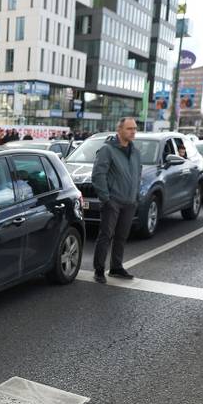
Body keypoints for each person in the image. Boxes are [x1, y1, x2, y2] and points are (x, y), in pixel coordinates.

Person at [91, 117, 142, 284]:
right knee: (106, 235)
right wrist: (105, 198)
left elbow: (137, 174)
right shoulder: (107, 150)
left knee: (121, 236)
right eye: (129, 129)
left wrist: (136, 196)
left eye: (134, 128)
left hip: (129, 201)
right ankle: (99, 270)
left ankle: (116, 267)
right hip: (113, 200)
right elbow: (98, 175)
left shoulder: (135, 151)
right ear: (119, 130)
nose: (133, 131)